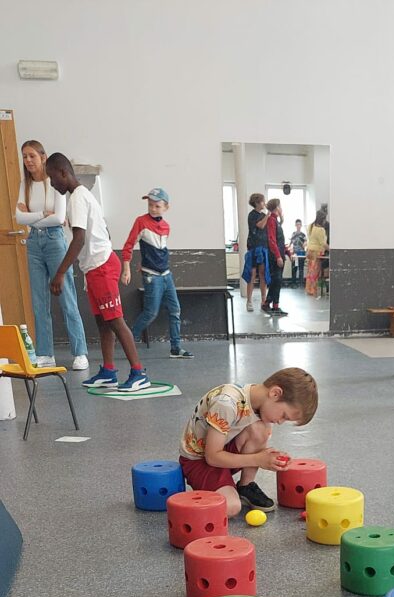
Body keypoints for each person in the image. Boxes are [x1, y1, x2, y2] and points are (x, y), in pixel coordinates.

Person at [46, 153, 151, 392]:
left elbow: (79, 239)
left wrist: (60, 273)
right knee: (102, 322)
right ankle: (109, 371)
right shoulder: (83, 195)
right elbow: (104, 230)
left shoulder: (77, 198)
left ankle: (138, 373)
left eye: (52, 178)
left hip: (102, 266)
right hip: (94, 267)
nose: (52, 184)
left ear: (63, 173)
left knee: (115, 320)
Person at [179, 368, 318, 516]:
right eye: (284, 415)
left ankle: (245, 486)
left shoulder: (258, 400)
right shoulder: (226, 403)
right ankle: (199, 500)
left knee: (262, 427)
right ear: (275, 393)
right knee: (231, 506)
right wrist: (258, 459)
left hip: (223, 452)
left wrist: (271, 457)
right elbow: (212, 457)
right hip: (200, 461)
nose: (280, 422)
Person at [15, 140, 89, 371]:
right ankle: (45, 353)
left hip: (55, 240)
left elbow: (58, 218)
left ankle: (80, 352)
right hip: (33, 243)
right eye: (24, 156)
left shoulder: (53, 182)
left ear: (43, 157)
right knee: (39, 301)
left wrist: (32, 214)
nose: (28, 160)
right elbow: (19, 218)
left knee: (67, 296)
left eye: (32, 156)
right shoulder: (24, 185)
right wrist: (41, 214)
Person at [121, 187, 192, 358]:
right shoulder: (141, 222)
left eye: (157, 206)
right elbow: (128, 245)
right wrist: (126, 269)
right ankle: (128, 341)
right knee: (151, 313)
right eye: (150, 205)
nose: (153, 208)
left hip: (166, 274)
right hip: (151, 276)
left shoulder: (166, 227)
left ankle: (175, 348)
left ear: (166, 207)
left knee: (175, 310)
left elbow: (159, 250)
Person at [262, 199, 291, 316]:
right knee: (276, 281)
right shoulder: (271, 220)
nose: (281, 208)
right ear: (277, 208)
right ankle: (270, 304)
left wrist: (287, 253)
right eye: (280, 206)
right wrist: (278, 256)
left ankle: (273, 305)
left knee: (277, 281)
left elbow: (280, 241)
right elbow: (272, 240)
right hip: (275, 256)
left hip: (279, 254)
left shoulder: (276, 221)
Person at [244, 194, 269, 311]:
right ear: (257, 203)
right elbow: (261, 225)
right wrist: (268, 215)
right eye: (263, 202)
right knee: (252, 274)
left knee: (263, 273)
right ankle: (249, 301)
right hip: (253, 247)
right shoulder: (252, 215)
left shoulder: (263, 215)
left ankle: (264, 300)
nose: (264, 204)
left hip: (263, 246)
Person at [305, 211, 329, 297]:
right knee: (315, 272)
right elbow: (323, 243)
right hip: (316, 252)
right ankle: (313, 290)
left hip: (309, 251)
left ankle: (309, 289)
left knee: (310, 272)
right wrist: (331, 249)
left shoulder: (310, 226)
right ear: (322, 220)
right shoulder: (321, 230)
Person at [289, 219, 307, 286]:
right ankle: (293, 283)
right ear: (295, 225)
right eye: (297, 224)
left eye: (299, 224)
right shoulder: (293, 234)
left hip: (301, 253)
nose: (298, 226)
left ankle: (301, 283)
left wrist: (305, 244)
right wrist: (290, 250)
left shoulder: (303, 235)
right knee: (294, 268)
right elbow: (290, 243)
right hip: (295, 253)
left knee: (301, 268)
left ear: (301, 225)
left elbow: (306, 243)